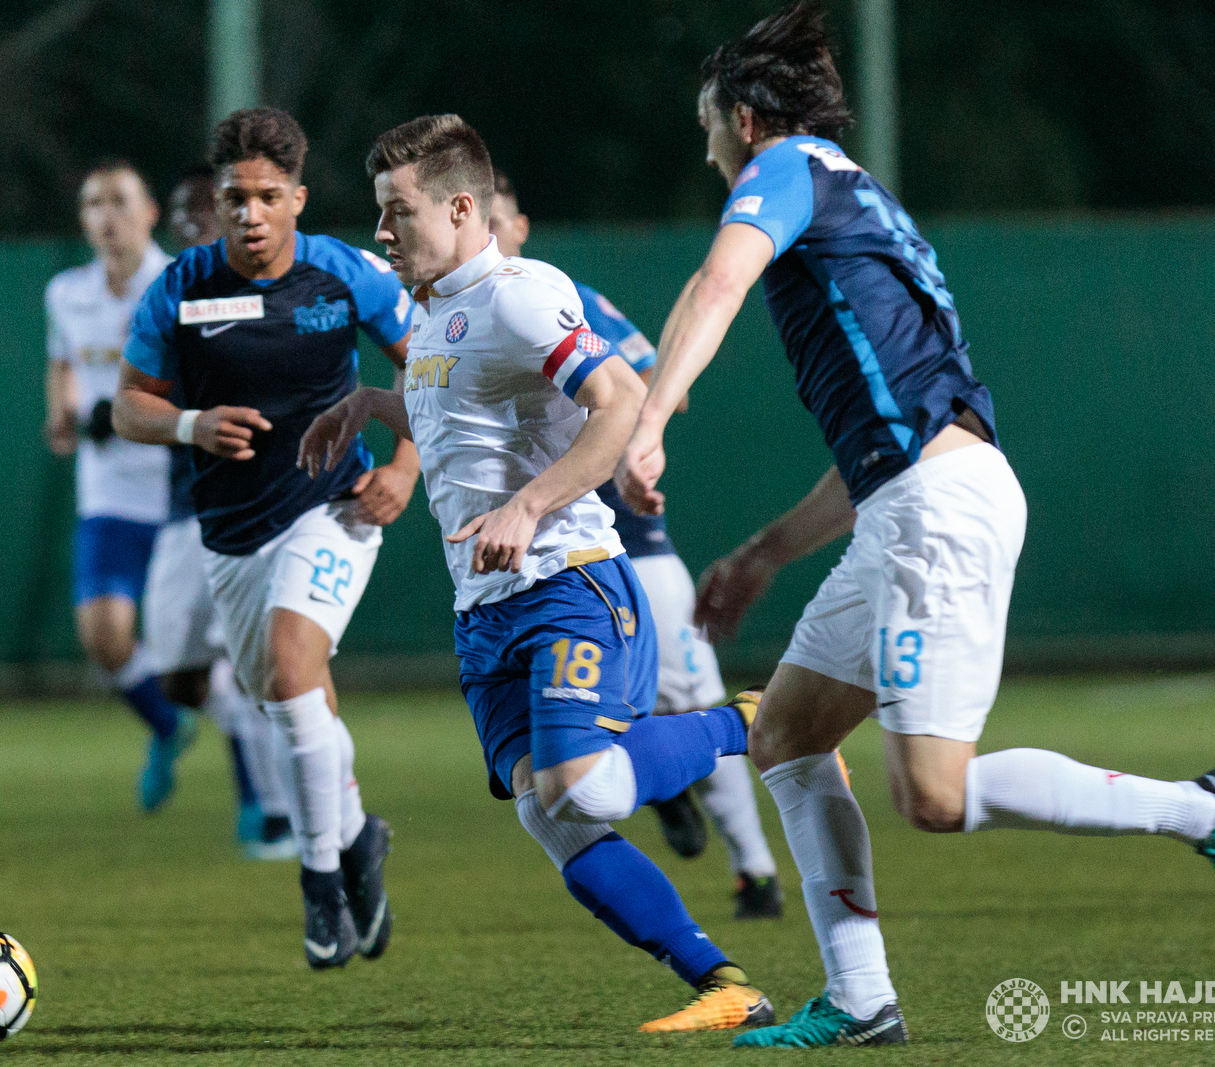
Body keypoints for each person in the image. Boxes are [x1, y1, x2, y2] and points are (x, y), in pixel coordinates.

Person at [616, 3, 1215, 1048]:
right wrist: (764, 552)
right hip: (912, 502)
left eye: (709, 123)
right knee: (787, 732)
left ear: (747, 120)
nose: (705, 145)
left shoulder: (789, 169)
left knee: (932, 791)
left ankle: (1205, 809)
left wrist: (649, 419)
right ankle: (859, 996)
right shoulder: (857, 203)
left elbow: (719, 282)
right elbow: (883, 450)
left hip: (934, 514)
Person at [301, 113, 771, 1033]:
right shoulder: (434, 310)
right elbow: (458, 413)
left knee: (584, 788)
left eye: (398, 212)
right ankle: (726, 985)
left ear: (463, 206)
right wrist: (370, 400)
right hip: (483, 613)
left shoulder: (519, 293)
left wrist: (530, 506)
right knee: (554, 819)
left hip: (569, 582)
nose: (381, 233)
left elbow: (621, 400)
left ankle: (754, 718)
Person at [114, 108, 414, 969]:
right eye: (234, 198)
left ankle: (321, 884)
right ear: (215, 203)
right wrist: (192, 424)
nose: (248, 213)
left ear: (298, 200)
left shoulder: (342, 272)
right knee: (287, 698)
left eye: (267, 197)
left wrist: (404, 466)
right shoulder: (179, 287)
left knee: (289, 673)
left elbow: (429, 362)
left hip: (335, 508)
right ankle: (360, 838)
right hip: (231, 536)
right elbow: (128, 405)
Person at [487, 169, 783, 919]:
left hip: (624, 552)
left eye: (497, 217)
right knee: (570, 747)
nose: (483, 235)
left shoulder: (558, 298)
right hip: (520, 573)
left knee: (692, 699)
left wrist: (627, 443)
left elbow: (662, 382)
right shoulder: (450, 317)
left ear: (520, 226)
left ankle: (755, 870)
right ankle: (667, 786)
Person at [142, 163, 297, 859]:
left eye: (202, 209)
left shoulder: (266, 292)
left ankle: (282, 813)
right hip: (184, 511)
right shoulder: (171, 296)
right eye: (182, 213)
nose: (189, 224)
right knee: (176, 672)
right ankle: (268, 785)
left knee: (260, 670)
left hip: (258, 509)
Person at [43, 159, 193, 811]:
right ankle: (167, 726)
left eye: (120, 201)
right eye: (93, 203)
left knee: (204, 653)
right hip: (107, 490)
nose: (107, 215)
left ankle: (263, 805)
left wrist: (134, 413)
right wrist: (63, 412)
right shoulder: (65, 292)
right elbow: (62, 363)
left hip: (178, 488)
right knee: (104, 637)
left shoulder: (175, 283)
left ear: (150, 212)